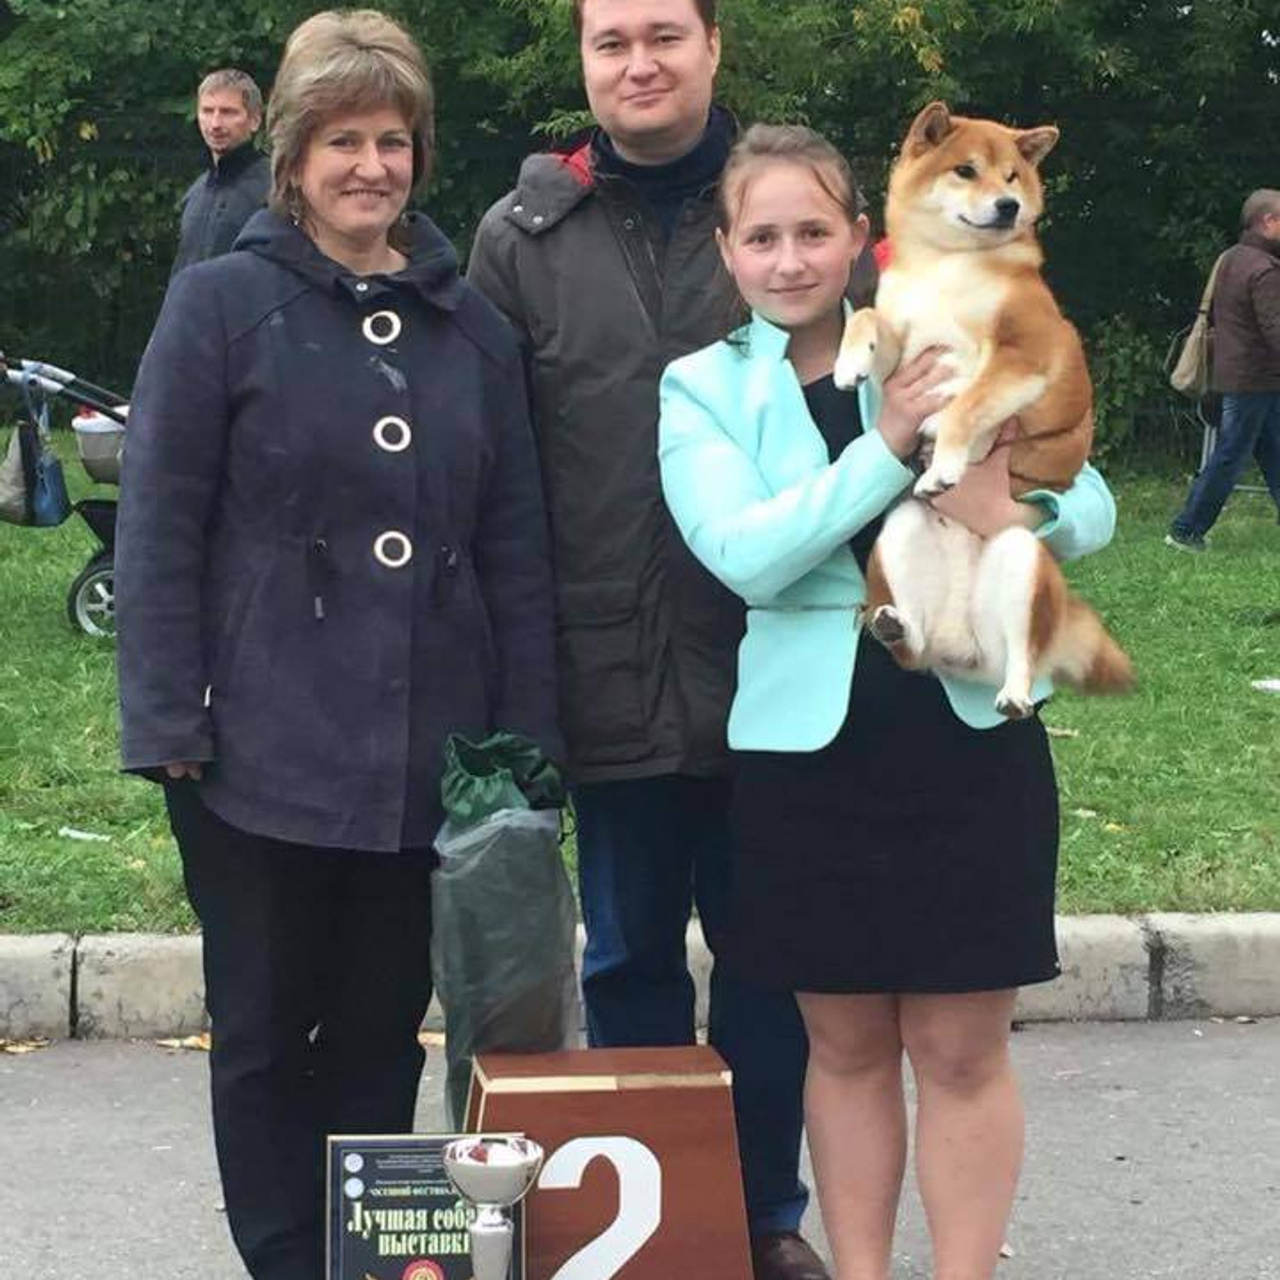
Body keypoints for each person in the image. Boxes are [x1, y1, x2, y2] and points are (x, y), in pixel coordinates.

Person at [115, 12, 559, 1280]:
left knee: (380, 1027)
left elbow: (515, 549)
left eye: (394, 140)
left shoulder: (474, 328)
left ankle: (362, 1258)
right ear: (293, 157)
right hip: (249, 748)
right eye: (343, 140)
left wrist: (525, 742)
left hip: (430, 751)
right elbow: (157, 529)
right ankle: (279, 1258)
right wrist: (165, 720)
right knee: (260, 1027)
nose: (372, 165)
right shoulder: (217, 307)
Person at [658, 124, 1118, 1280]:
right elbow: (743, 555)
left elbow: (1093, 496)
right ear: (726, 251)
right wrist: (892, 439)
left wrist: (1020, 518)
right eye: (760, 236)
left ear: (859, 236)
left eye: (812, 230)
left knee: (962, 1049)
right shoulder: (699, 387)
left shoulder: (954, 321)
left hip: (964, 731)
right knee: (845, 1044)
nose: (788, 257)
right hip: (806, 750)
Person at [467, 4, 831, 1276]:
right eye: (611, 40)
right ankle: (658, 1232)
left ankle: (763, 1215)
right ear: (582, 61)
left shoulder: (790, 216)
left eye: (663, 35)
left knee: (769, 958)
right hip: (602, 657)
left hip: (782, 660)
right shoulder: (520, 240)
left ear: (713, 46)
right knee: (624, 955)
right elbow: (492, 475)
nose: (639, 63)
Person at [1167, 188, 1280, 551]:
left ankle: (1187, 529)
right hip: (1256, 378)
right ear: (1268, 221)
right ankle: (1186, 529)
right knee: (1230, 456)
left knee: (1273, 453)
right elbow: (1275, 329)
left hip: (1238, 374)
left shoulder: (1231, 259)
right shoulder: (1264, 269)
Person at [171, 68, 271, 276]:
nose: (215, 124)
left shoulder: (275, 190)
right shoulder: (195, 193)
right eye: (207, 111)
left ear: (255, 120)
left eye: (228, 112)